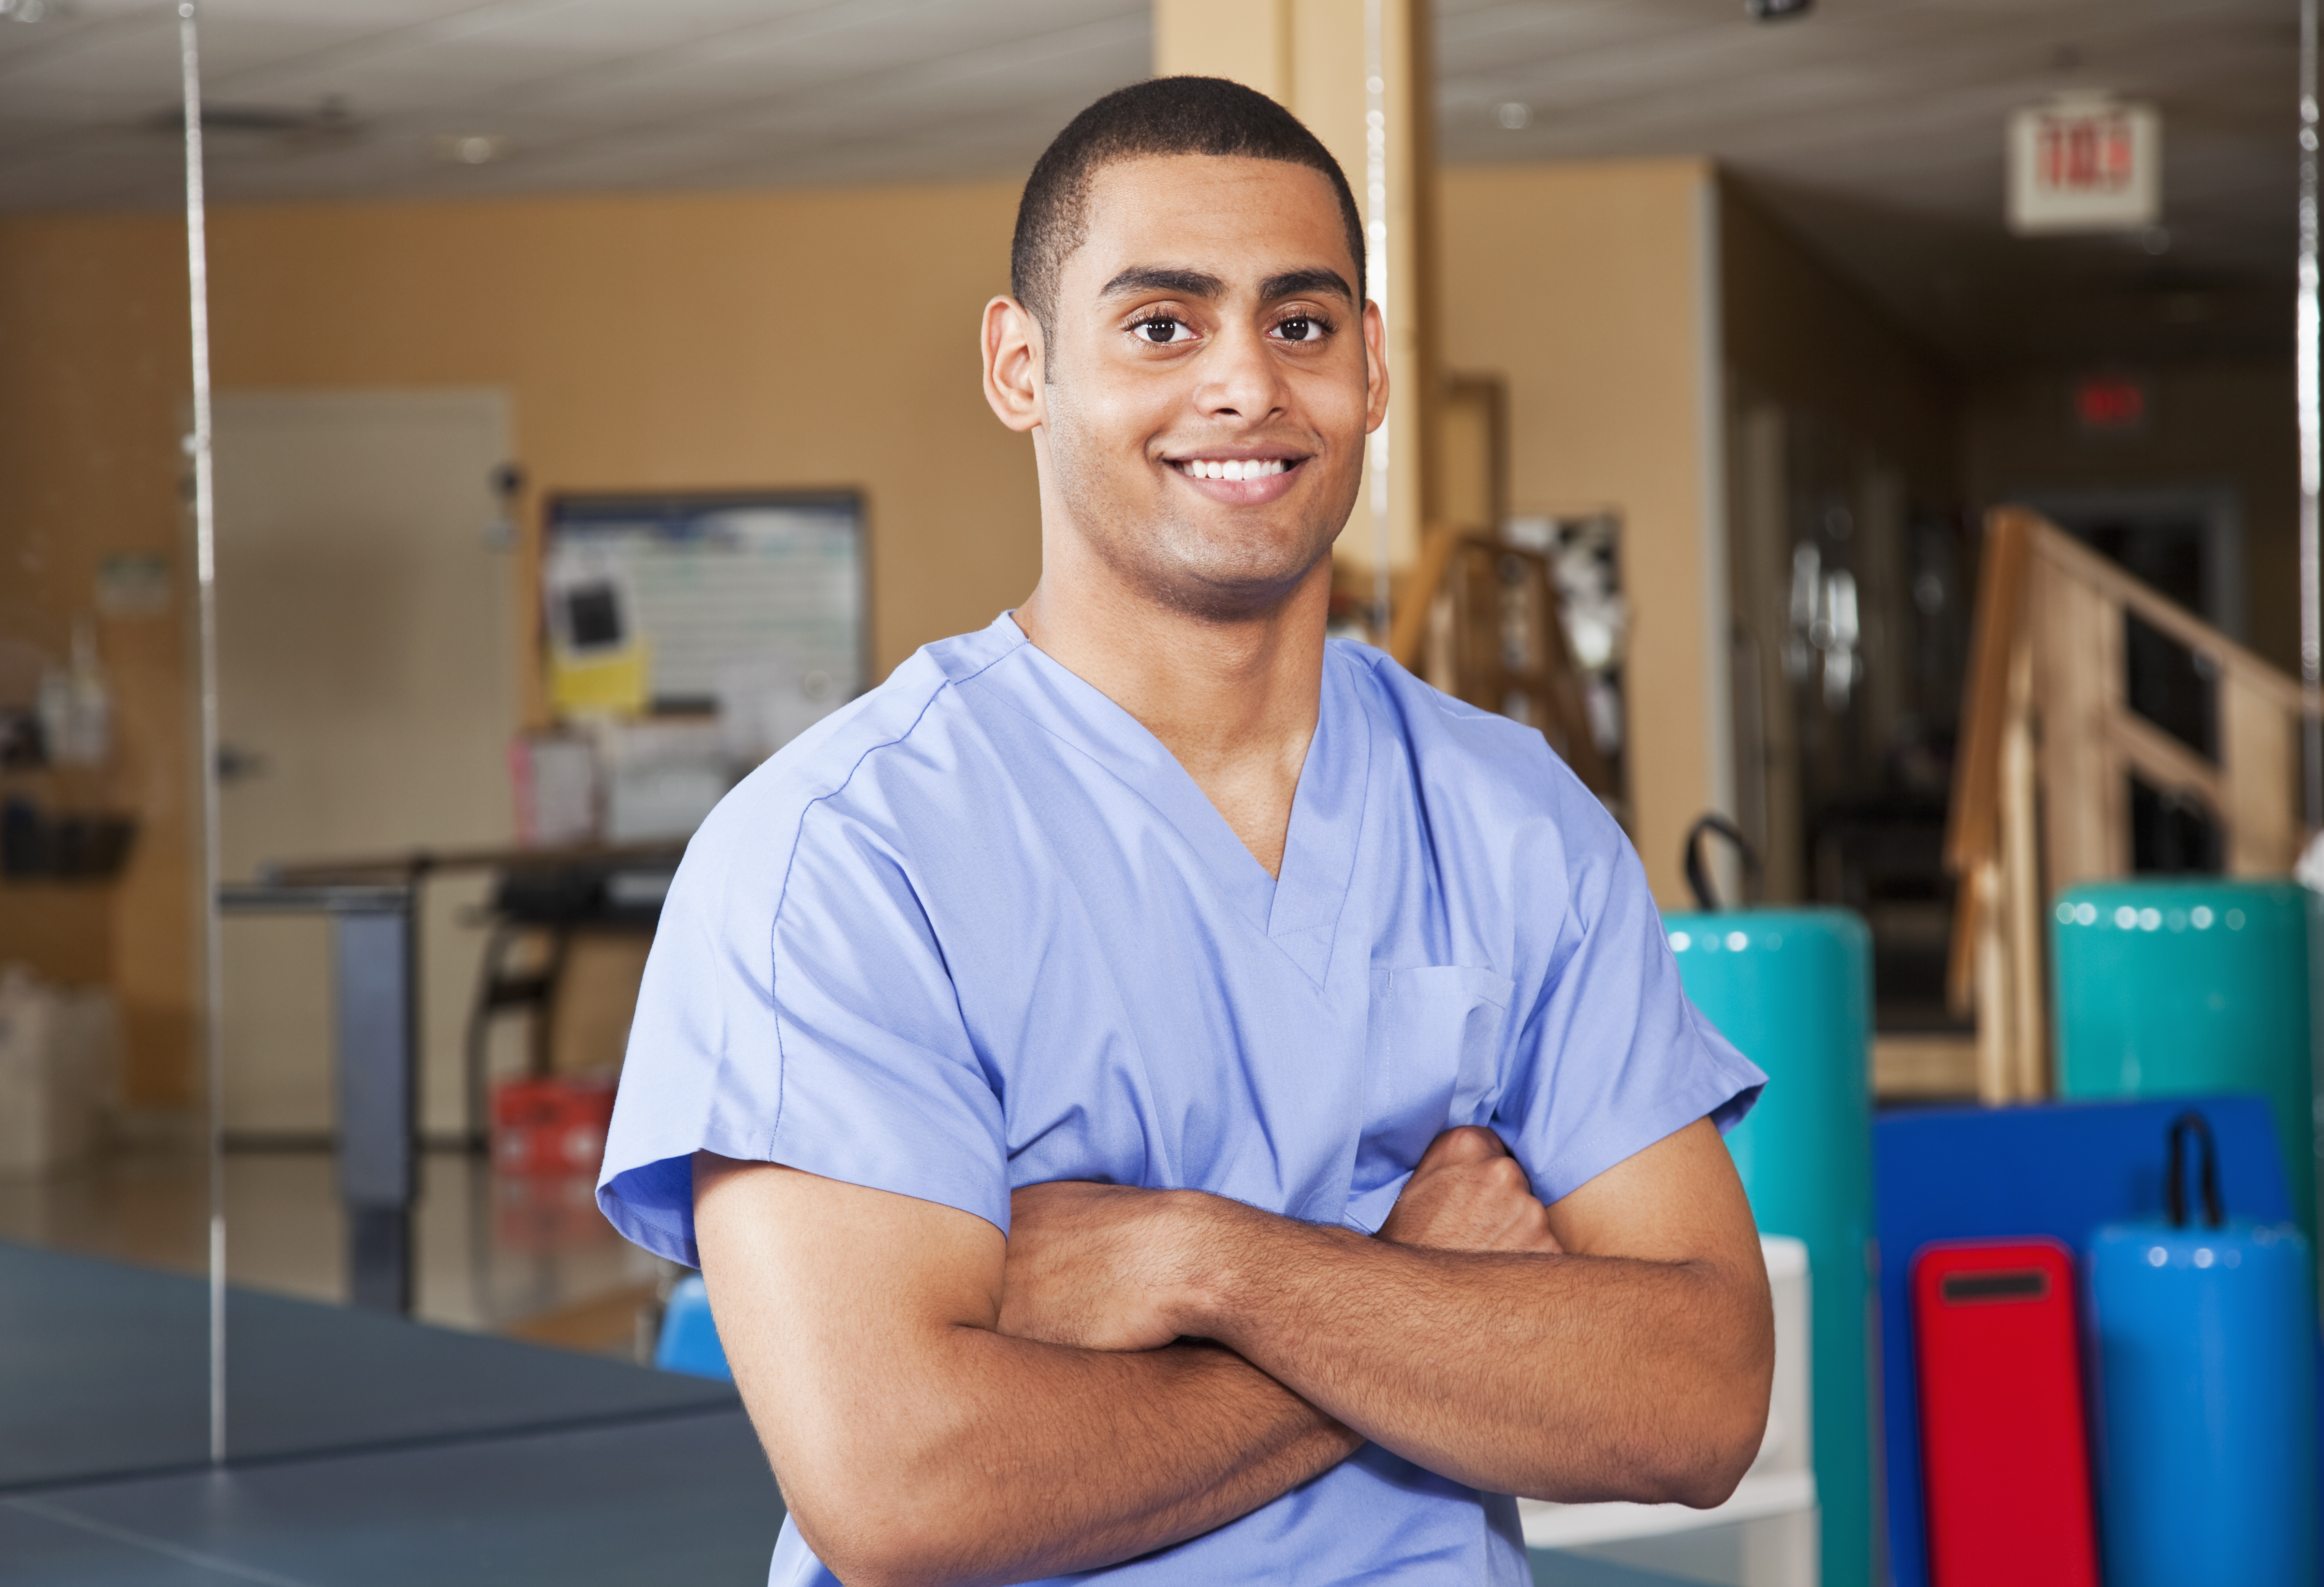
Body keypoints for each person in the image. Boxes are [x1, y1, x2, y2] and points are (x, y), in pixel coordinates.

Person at [599, 75, 1772, 1587]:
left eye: (1303, 324)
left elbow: (1698, 1395)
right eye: (1163, 324)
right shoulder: (843, 854)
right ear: (1020, 366)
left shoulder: (1513, 818)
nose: (1246, 387)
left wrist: (1194, 1261)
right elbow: (904, 1484)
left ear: (1374, 368)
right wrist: (1417, 1297)